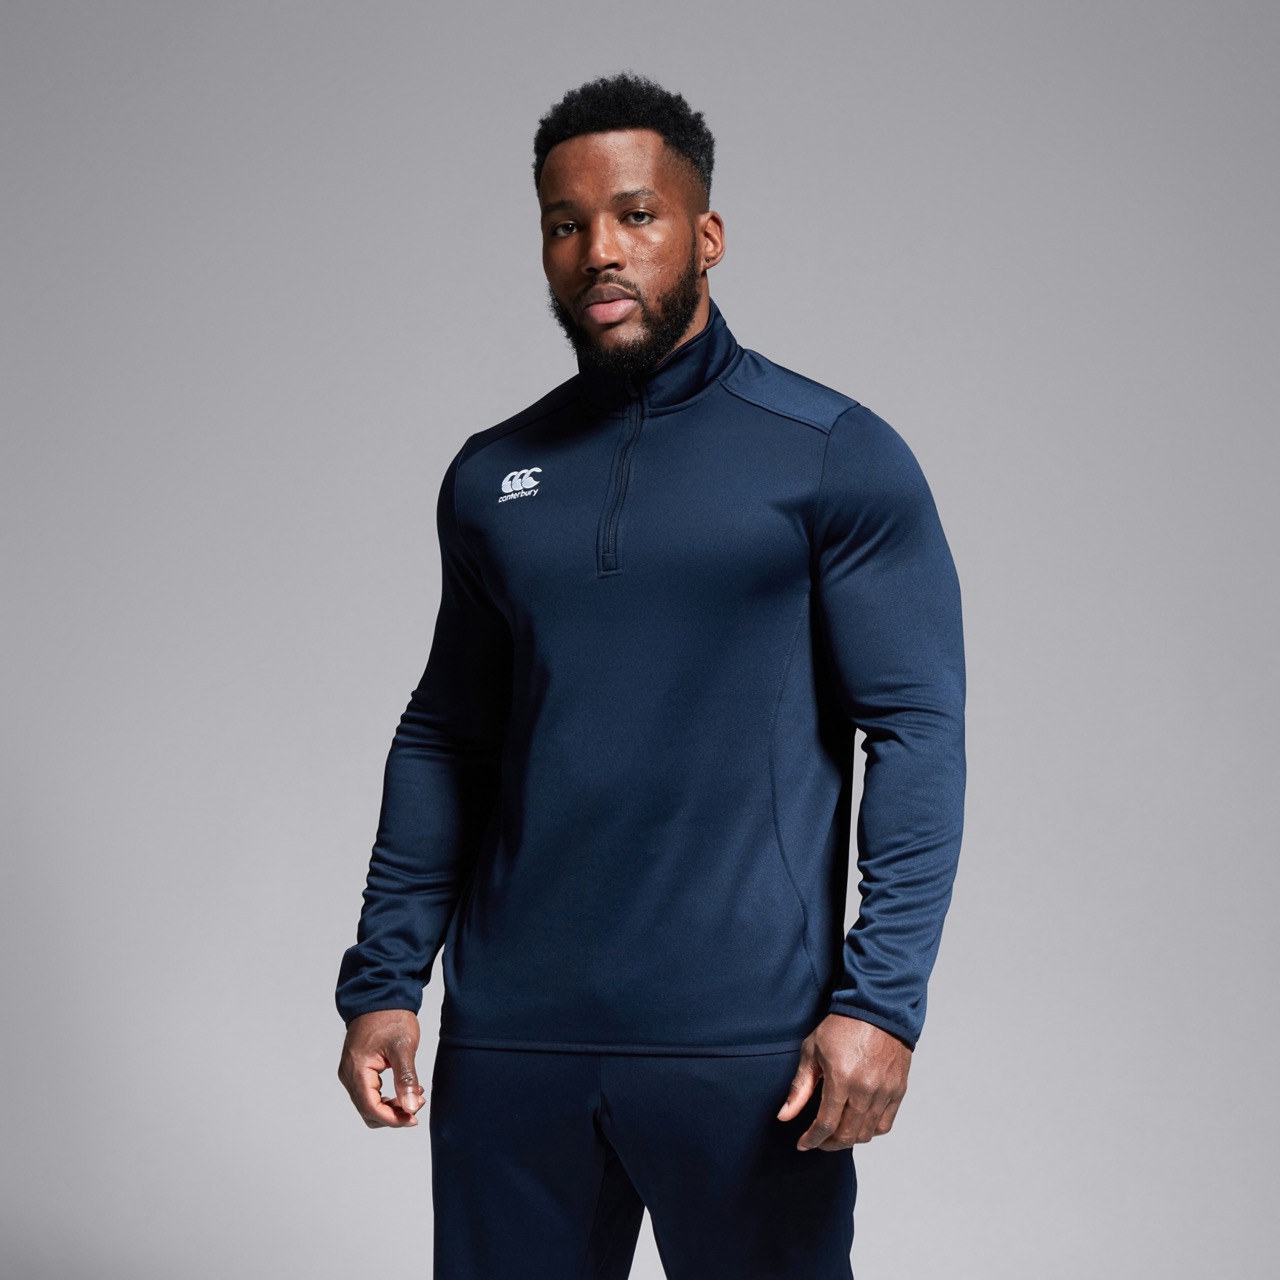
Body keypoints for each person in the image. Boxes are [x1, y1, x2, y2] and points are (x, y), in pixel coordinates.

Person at [335, 71, 965, 1279]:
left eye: (635, 215)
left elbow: (916, 728)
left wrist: (880, 1002)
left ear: (705, 233)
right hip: (511, 1045)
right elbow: (446, 732)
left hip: (748, 1050)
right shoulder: (492, 475)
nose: (599, 252)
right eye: (564, 225)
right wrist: (384, 976)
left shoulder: (831, 455)